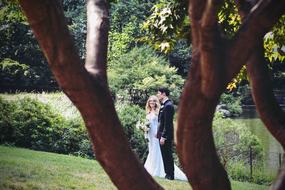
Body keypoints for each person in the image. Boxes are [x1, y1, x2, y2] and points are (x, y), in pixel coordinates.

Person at [143, 95, 187, 181]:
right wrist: (144, 128)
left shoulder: (159, 110)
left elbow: (162, 123)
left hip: (157, 133)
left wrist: (161, 134)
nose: (151, 102)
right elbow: (147, 123)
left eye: (153, 101)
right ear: (148, 102)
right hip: (150, 134)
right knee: (151, 150)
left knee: (158, 151)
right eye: (150, 101)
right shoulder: (148, 112)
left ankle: (160, 170)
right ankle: (150, 168)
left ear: (156, 102)